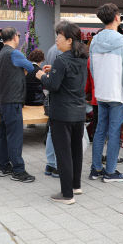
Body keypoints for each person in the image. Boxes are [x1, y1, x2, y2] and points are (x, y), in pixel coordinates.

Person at [37, 21, 87, 204]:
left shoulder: (61, 59)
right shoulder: (81, 58)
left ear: (69, 40)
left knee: (63, 153)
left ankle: (67, 194)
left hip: (62, 113)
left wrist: (42, 76)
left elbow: (53, 85)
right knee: (76, 151)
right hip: (78, 112)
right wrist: (53, 72)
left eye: (59, 36)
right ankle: (75, 186)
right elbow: (68, 80)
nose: (56, 40)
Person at [88, 3, 123, 183]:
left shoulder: (95, 41)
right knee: (114, 132)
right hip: (117, 94)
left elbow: (91, 69)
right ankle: (110, 171)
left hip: (101, 93)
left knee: (100, 130)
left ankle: (96, 169)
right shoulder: (122, 42)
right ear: (116, 18)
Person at [0, 27, 36, 183]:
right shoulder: (15, 53)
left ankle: (4, 166)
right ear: (14, 37)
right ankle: (18, 170)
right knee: (15, 136)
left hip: (3, 100)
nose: (19, 38)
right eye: (19, 35)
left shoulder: (1, 54)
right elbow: (31, 67)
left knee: (4, 135)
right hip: (13, 100)